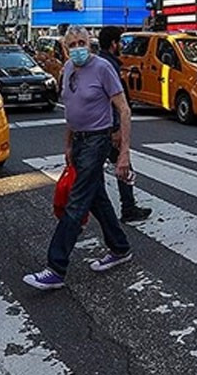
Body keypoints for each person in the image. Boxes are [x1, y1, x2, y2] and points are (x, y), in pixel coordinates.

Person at [24, 26, 134, 290]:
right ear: (65, 47)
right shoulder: (69, 69)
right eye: (71, 44)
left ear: (90, 43)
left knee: (76, 202)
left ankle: (55, 267)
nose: (77, 48)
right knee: (96, 198)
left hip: (98, 139)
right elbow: (71, 111)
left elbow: (124, 109)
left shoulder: (103, 68)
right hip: (80, 141)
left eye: (81, 42)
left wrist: (124, 153)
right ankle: (120, 248)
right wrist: (69, 145)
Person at [97, 26, 152, 224]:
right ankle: (127, 208)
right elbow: (112, 100)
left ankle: (127, 207)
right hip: (108, 128)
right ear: (113, 44)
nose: (121, 45)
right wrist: (116, 128)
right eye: (119, 42)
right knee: (122, 165)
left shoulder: (101, 62)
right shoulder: (108, 65)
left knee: (104, 171)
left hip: (100, 128)